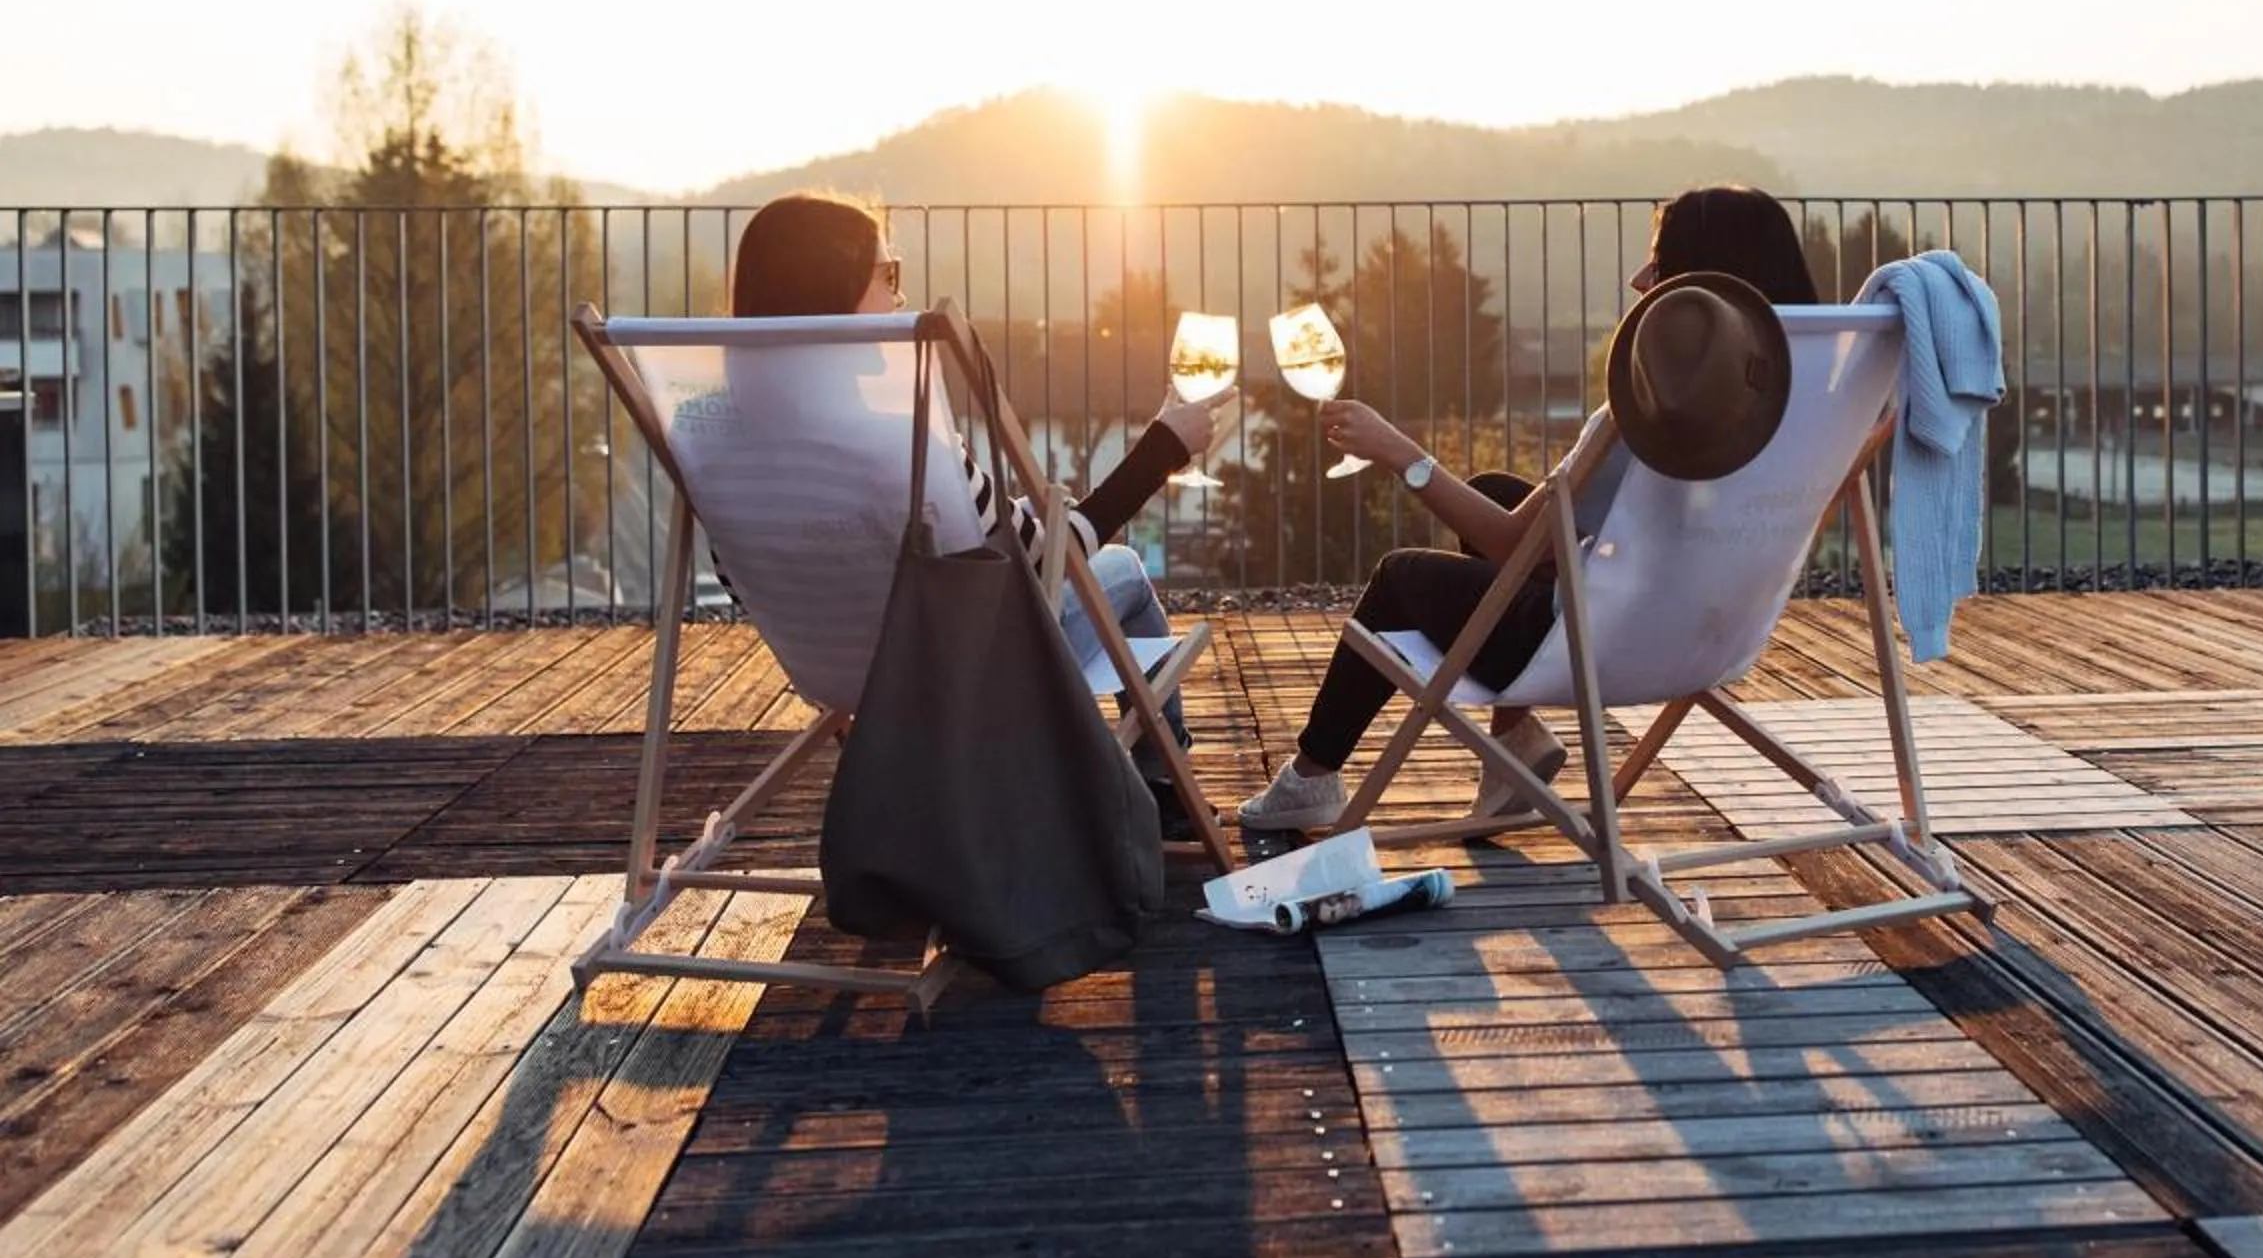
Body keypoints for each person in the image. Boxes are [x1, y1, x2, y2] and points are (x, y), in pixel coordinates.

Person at [1236, 184, 1820, 832]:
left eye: (1657, 261)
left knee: (1400, 576)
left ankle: (1310, 779)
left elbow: (1514, 548)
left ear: (1699, 283)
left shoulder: (1648, 412)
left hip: (1593, 645)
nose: (1638, 279)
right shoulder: (1806, 400)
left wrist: (1399, 452)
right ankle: (1511, 751)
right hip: (1709, 633)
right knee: (1491, 489)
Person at [722, 190, 1236, 777]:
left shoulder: (714, 439)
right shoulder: (903, 443)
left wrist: (991, 518)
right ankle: (1162, 786)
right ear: (835, 288)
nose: (900, 294)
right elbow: (1053, 557)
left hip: (837, 679)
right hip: (975, 677)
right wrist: (1162, 449)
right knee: (1122, 570)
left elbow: (742, 582)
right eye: (888, 273)